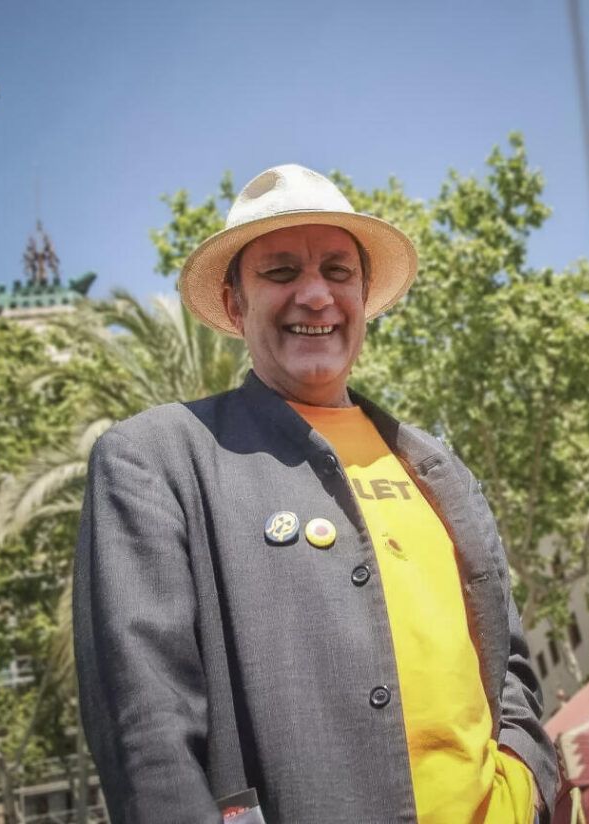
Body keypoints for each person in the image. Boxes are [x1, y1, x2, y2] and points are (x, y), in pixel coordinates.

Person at [73, 164, 558, 823]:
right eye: (280, 272)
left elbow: (511, 667)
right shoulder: (156, 459)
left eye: (338, 271)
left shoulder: (436, 468)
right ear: (236, 304)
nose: (316, 295)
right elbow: (147, 729)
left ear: (363, 294)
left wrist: (524, 783)